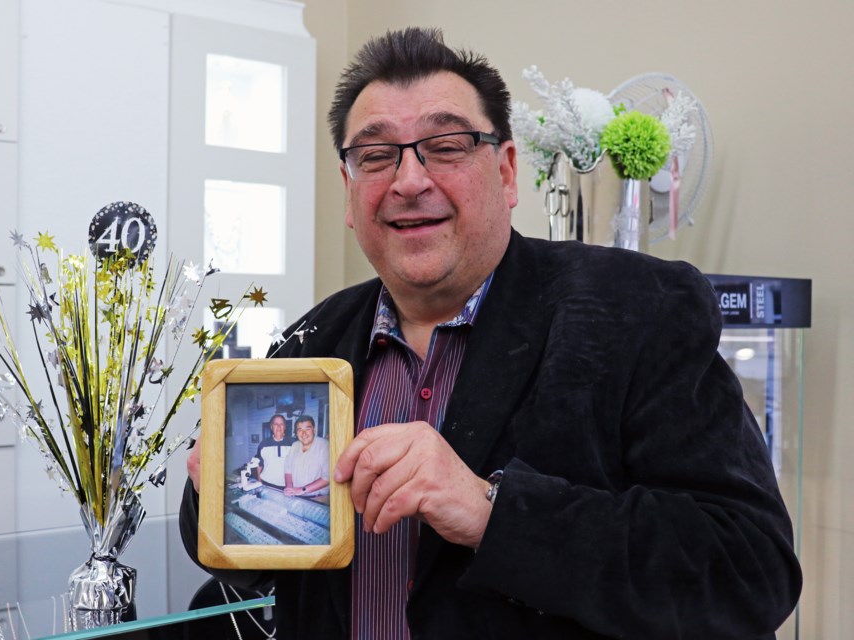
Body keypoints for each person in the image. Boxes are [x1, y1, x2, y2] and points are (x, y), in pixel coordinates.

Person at [181, 27, 802, 639]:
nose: (408, 180)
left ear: (506, 173)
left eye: (446, 145)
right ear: (349, 192)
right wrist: (212, 493)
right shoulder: (312, 340)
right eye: (375, 155)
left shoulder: (636, 311)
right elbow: (252, 556)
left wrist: (491, 511)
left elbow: (748, 568)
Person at [283, 414, 330, 497]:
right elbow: (288, 470)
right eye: (300, 430)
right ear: (296, 432)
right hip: (297, 495)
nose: (303, 433)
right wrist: (290, 487)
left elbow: (328, 477)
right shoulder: (294, 446)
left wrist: (302, 490)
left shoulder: (325, 446)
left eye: (307, 429)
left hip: (318, 497)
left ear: (314, 430)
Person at [254, 413, 293, 487]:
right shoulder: (263, 444)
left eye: (281, 424)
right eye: (275, 424)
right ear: (271, 427)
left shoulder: (293, 444)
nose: (278, 427)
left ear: (284, 427)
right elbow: (259, 465)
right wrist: (259, 482)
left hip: (286, 486)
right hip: (266, 483)